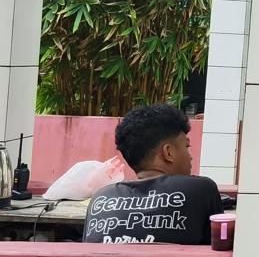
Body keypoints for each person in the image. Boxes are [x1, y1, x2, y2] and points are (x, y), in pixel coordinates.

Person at [83, 104, 222, 245]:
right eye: (187, 146)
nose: (190, 156)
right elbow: (221, 241)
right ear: (168, 153)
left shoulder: (101, 198)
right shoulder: (202, 189)